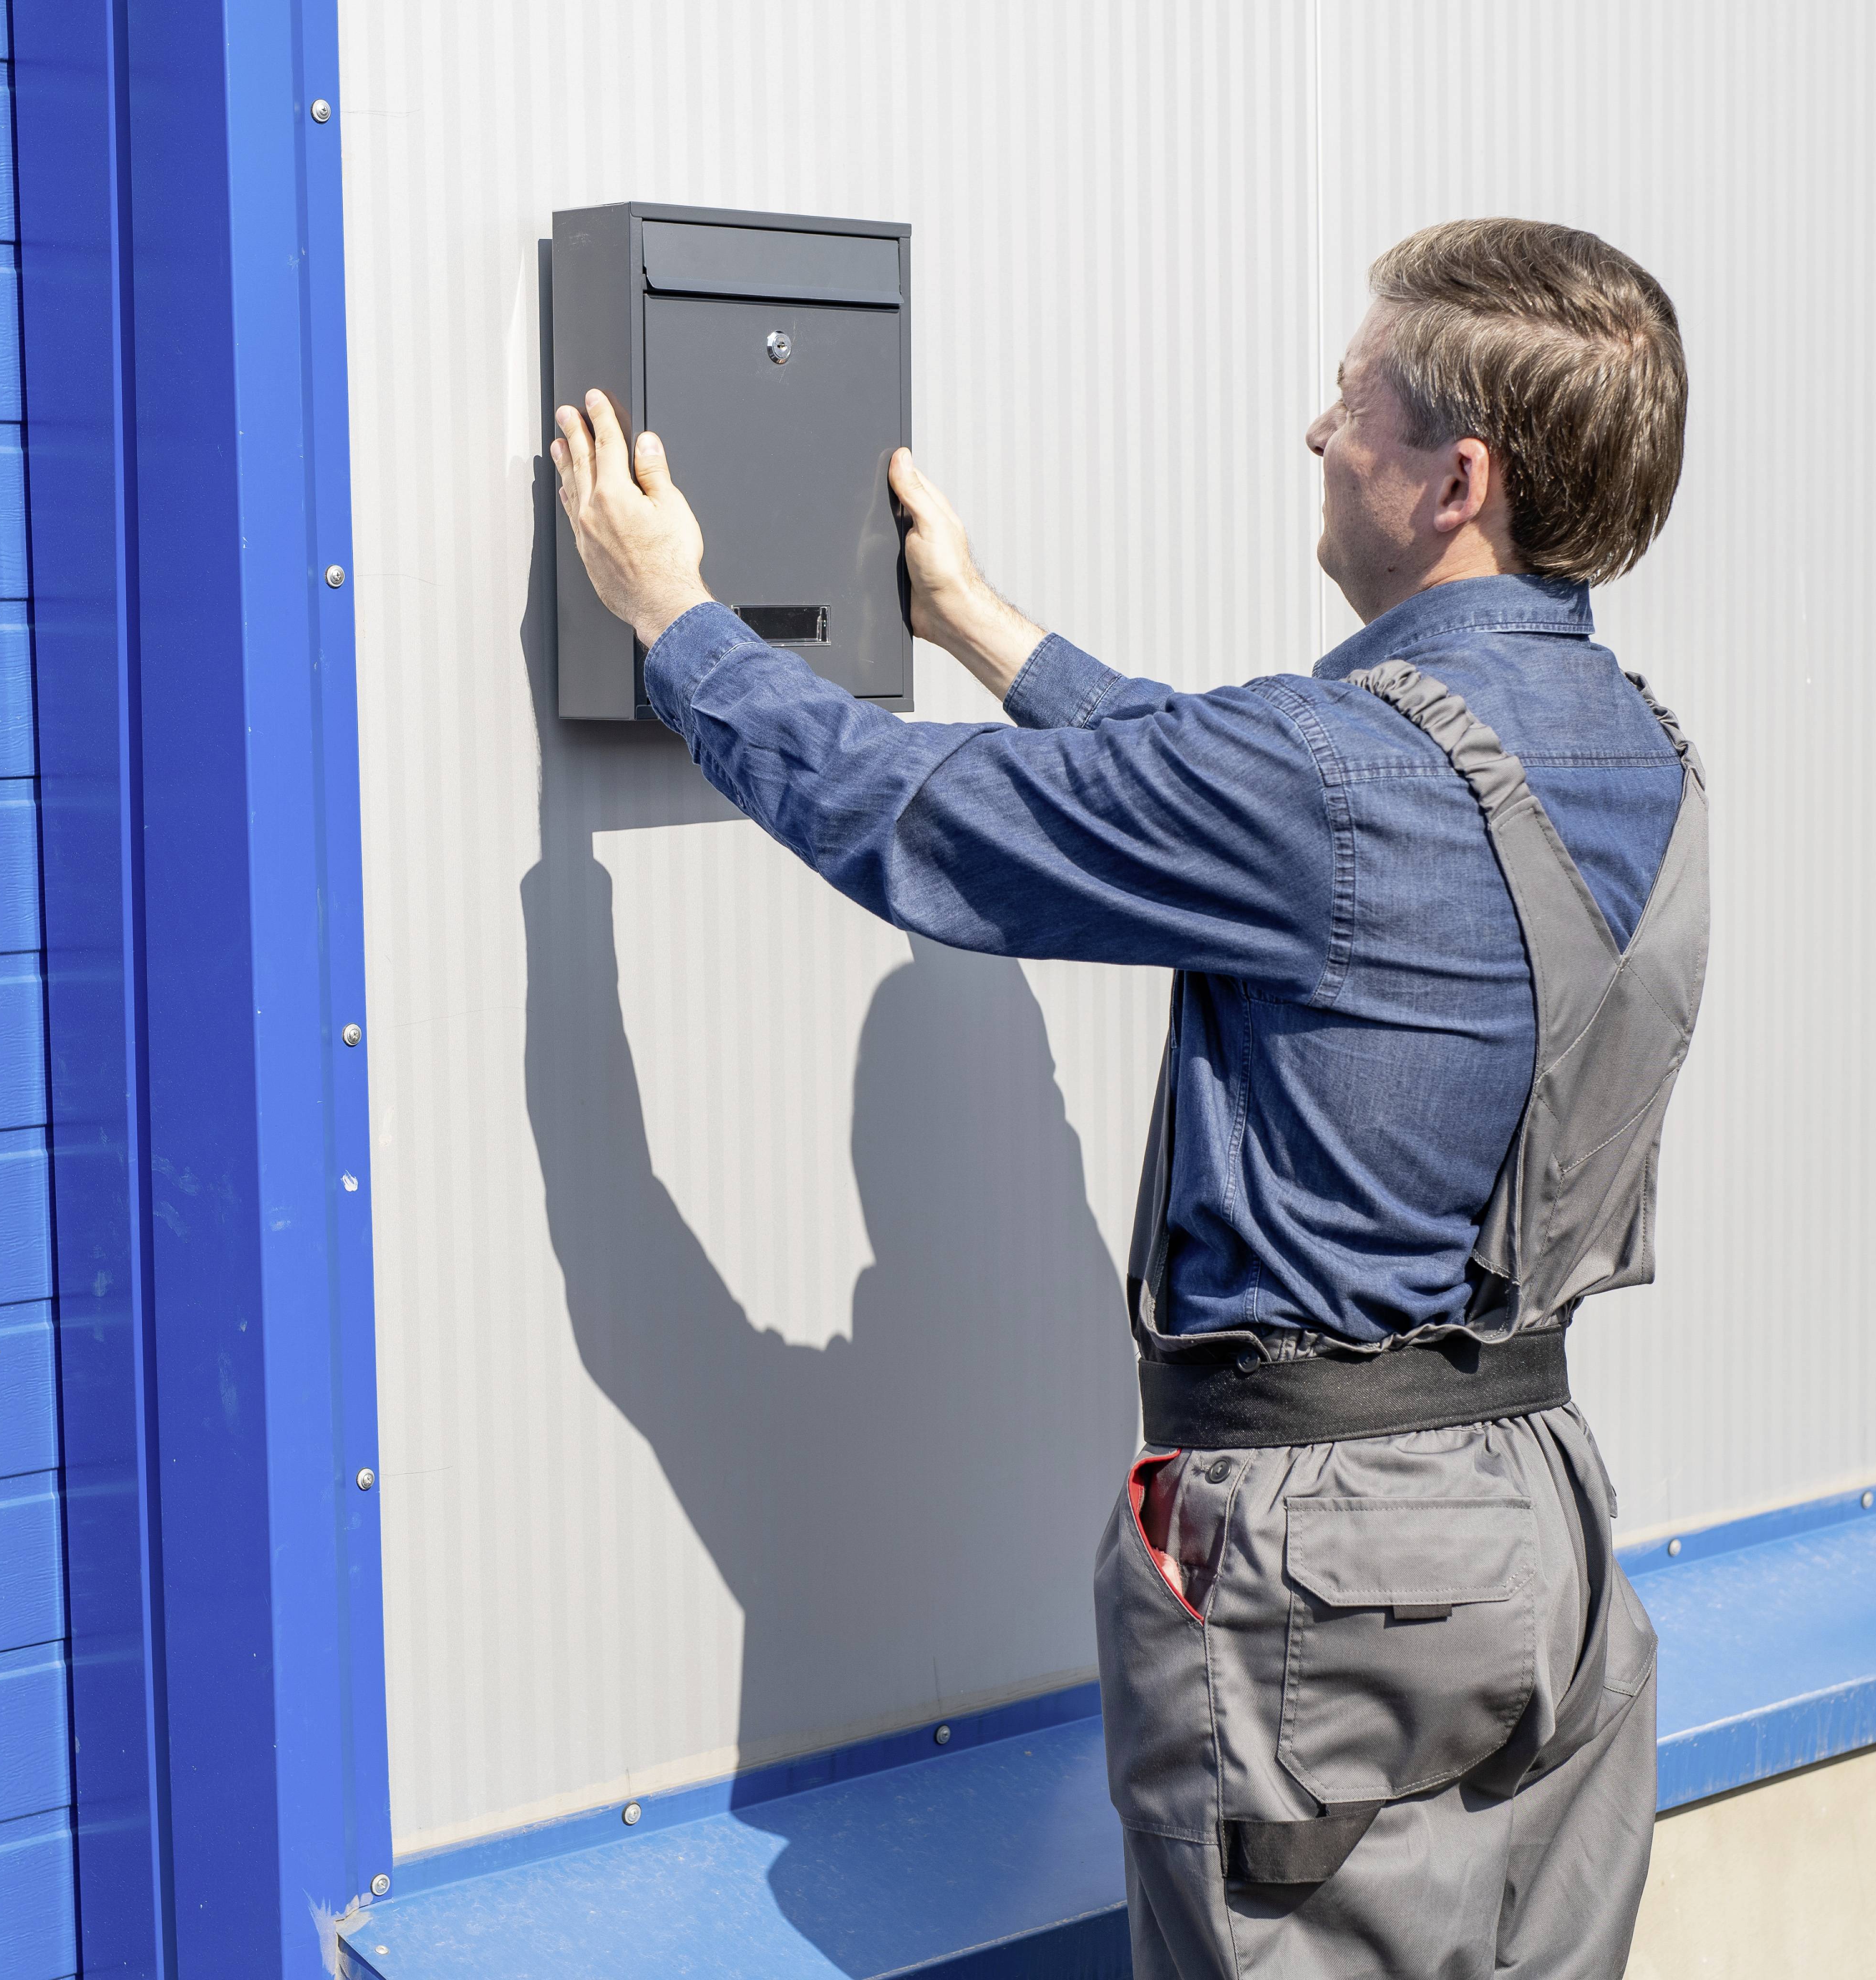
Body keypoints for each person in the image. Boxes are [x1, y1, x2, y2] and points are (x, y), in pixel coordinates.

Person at [551, 215, 1700, 1980]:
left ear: (1456, 477)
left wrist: (673, 620)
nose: (1318, 435)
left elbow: (917, 818)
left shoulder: (1327, 780)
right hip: (1540, 1516)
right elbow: (1282, 817)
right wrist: (991, 631)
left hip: (1334, 1559)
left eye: (1351, 402)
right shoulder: (1639, 752)